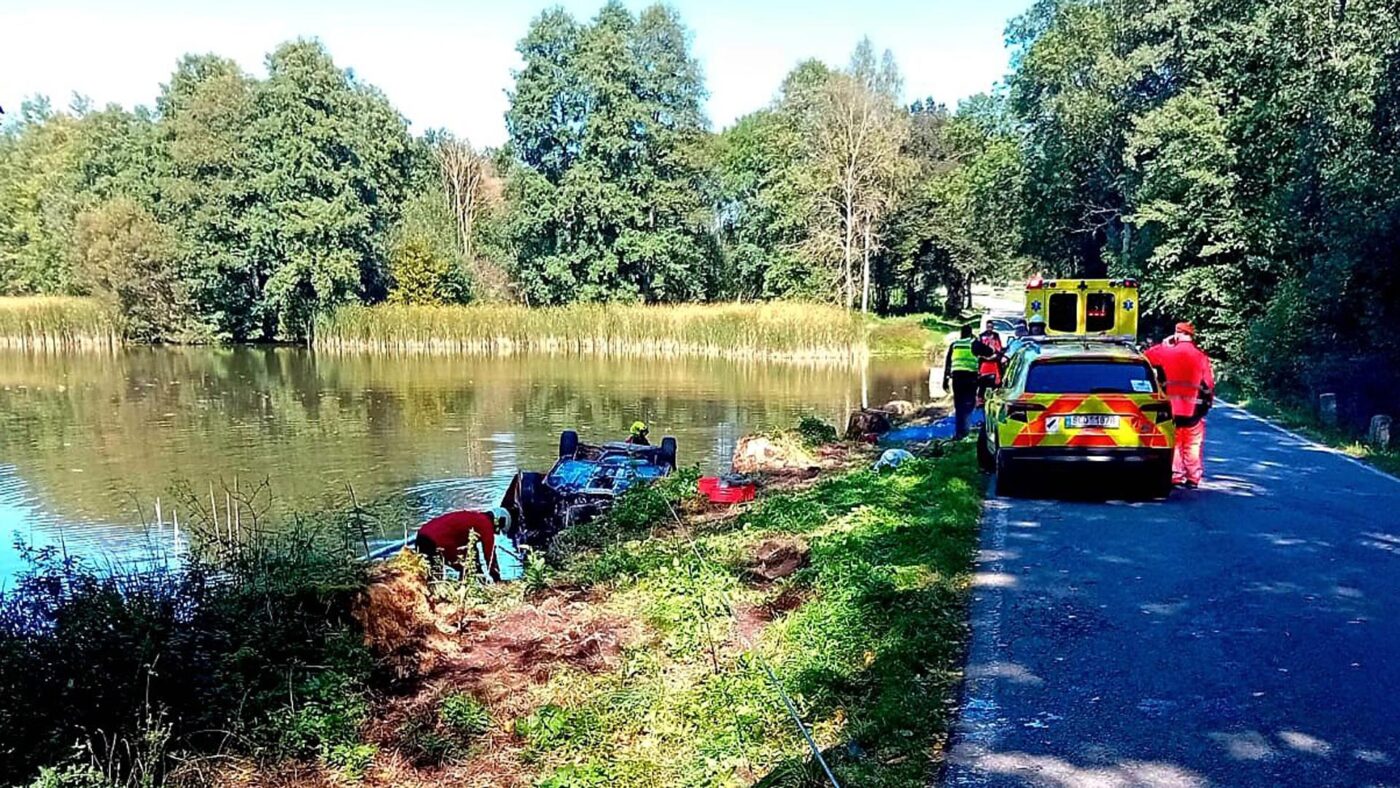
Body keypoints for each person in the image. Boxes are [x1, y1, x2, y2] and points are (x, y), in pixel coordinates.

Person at [1144, 321, 1215, 489]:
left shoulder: (1166, 353)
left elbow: (1146, 356)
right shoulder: (1201, 356)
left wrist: (1164, 344)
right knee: (1193, 444)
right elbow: (1209, 384)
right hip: (1194, 410)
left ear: (1177, 333)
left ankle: (1175, 475)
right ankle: (1193, 477)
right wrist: (1207, 404)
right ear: (1192, 336)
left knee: (1173, 442)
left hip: (1171, 408)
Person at [414, 508, 508, 581]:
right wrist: (497, 578)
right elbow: (490, 556)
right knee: (464, 568)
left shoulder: (475, 519)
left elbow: (473, 553)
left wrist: (479, 572)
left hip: (422, 536)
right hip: (435, 541)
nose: (496, 533)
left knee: (431, 576)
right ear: (498, 522)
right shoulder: (486, 525)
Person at [943, 325, 981, 439]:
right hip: (971, 378)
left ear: (961, 333)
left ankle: (959, 433)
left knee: (959, 405)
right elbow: (989, 351)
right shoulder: (974, 343)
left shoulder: (955, 345)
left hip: (957, 378)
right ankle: (967, 431)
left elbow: (948, 363)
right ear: (970, 333)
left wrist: (945, 380)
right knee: (969, 404)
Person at [973, 320, 1005, 402]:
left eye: (991, 327)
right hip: (984, 362)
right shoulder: (981, 336)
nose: (989, 329)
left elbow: (999, 348)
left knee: (997, 381)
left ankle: (995, 397)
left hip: (994, 362)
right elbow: (978, 350)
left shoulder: (996, 335)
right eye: (988, 327)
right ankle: (980, 399)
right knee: (982, 382)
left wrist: (996, 355)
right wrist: (984, 357)